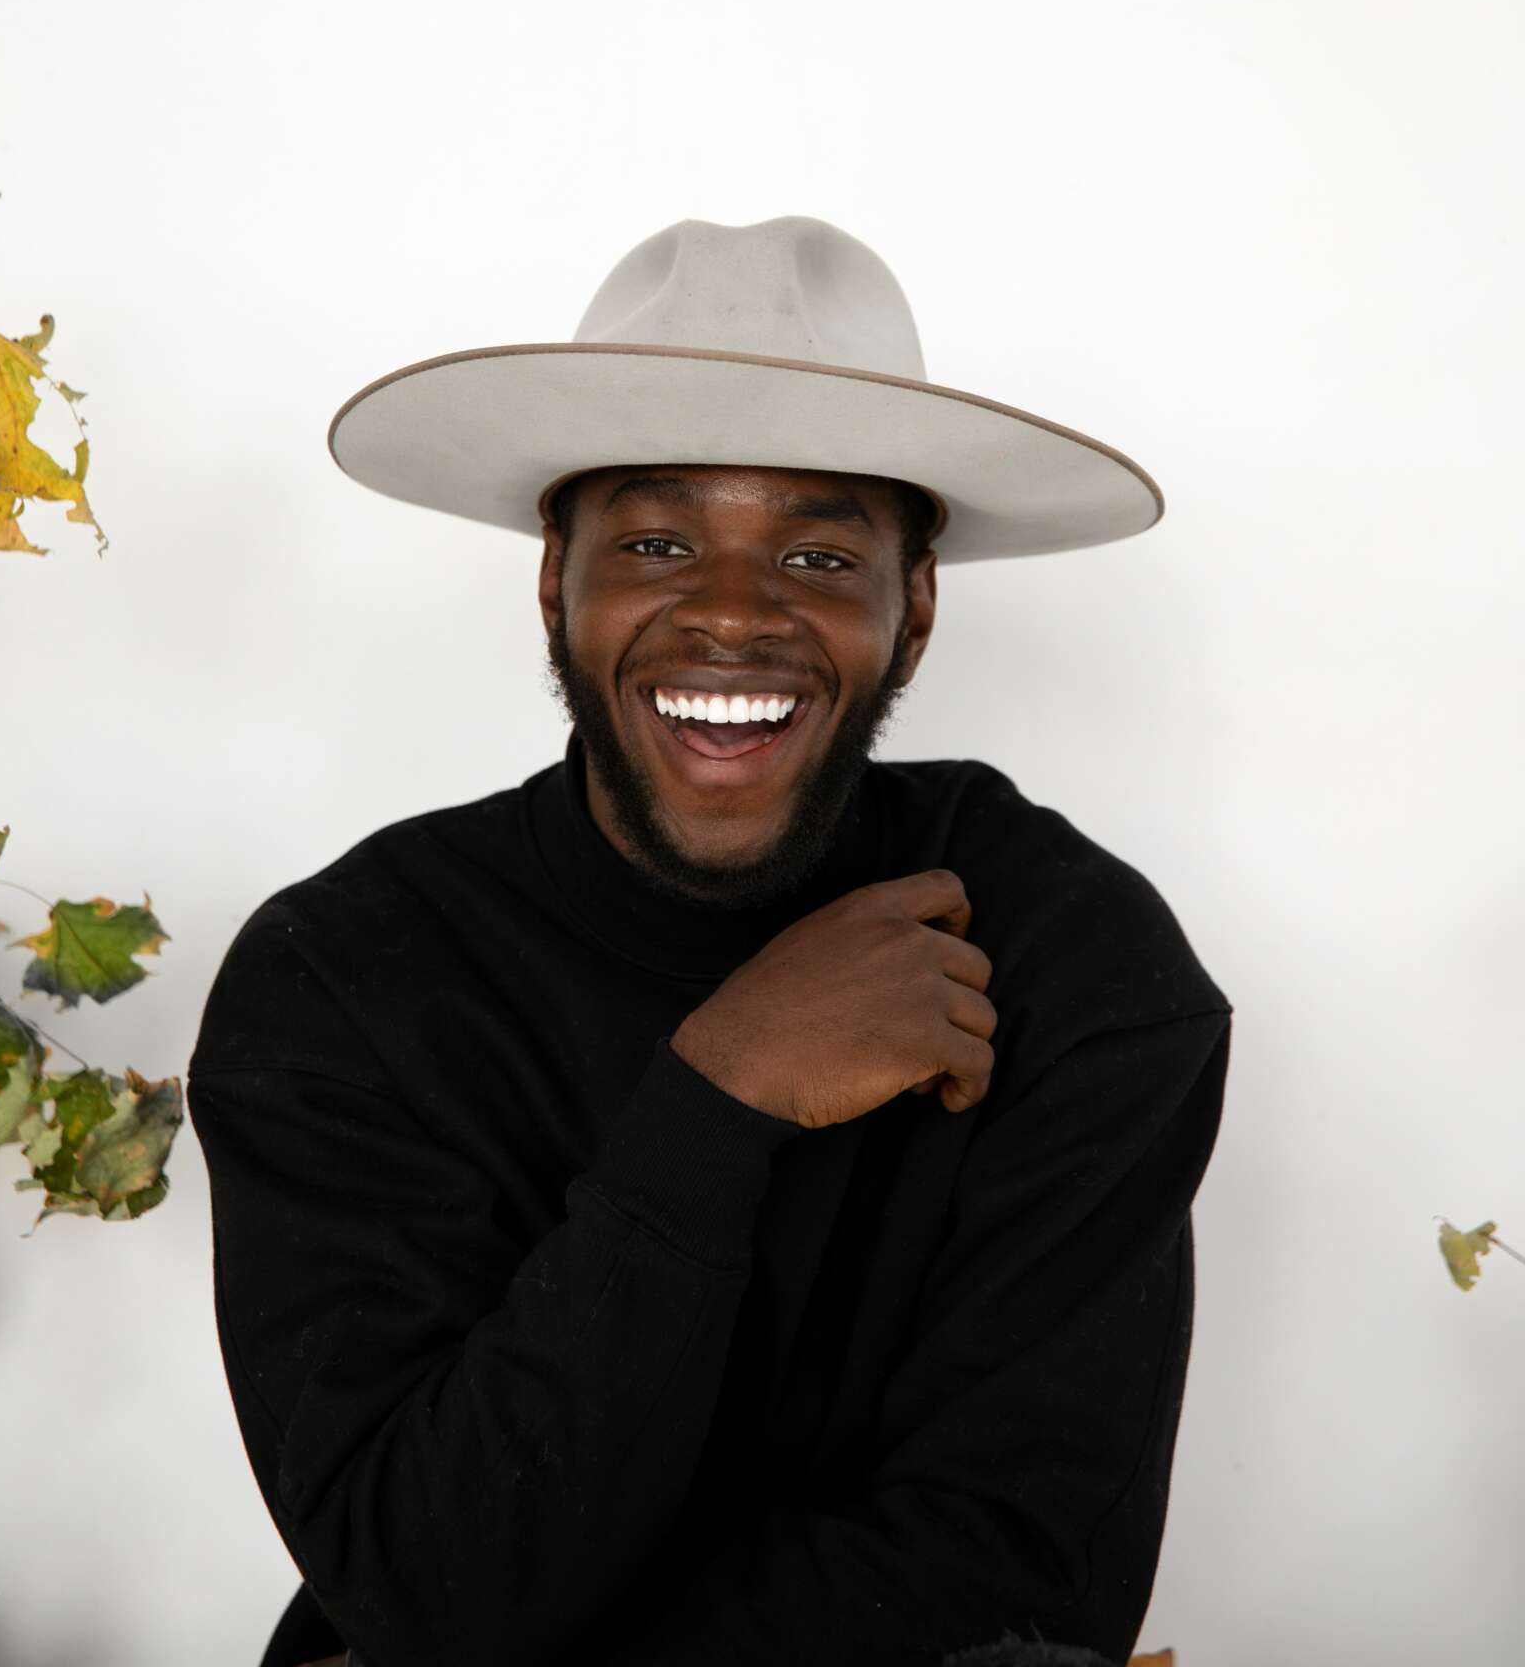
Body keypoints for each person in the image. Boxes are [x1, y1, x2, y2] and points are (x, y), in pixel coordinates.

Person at [187, 216, 1232, 1667]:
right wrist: (718, 1099)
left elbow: (1012, 1581)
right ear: (555, 580)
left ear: (914, 610)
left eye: (817, 552)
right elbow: (430, 1584)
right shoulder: (343, 978)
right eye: (658, 543)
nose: (734, 613)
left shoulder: (1078, 962)